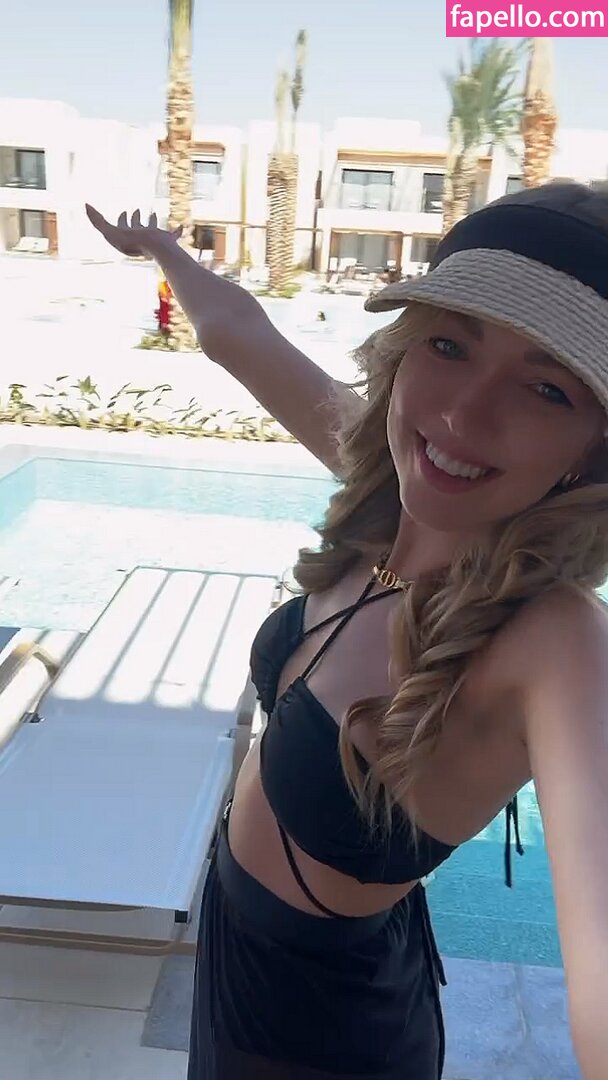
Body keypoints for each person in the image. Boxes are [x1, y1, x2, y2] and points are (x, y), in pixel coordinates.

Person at [85, 187, 608, 1080]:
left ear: (594, 448)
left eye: (547, 387)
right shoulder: (392, 496)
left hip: (324, 1043)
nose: (464, 414)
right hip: (239, 965)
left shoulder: (554, 640)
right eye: (449, 345)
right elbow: (237, 335)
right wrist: (167, 252)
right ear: (402, 355)